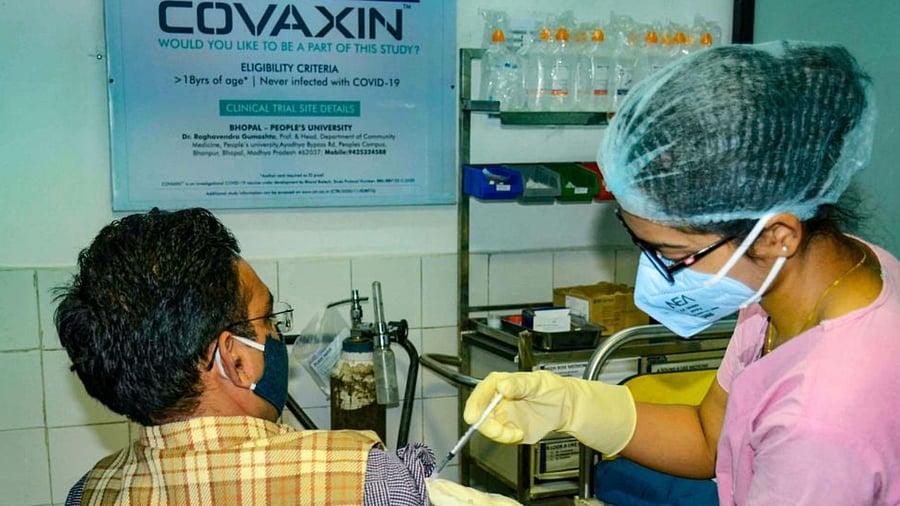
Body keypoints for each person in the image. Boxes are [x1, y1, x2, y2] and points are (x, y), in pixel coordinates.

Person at [465, 41, 900, 505]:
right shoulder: (806, 281)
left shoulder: (822, 420)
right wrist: (574, 405)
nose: (652, 275)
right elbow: (711, 436)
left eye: (672, 253)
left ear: (777, 234)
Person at [55, 207, 519, 506]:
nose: (277, 336)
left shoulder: (92, 492)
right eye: (267, 320)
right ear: (236, 360)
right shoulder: (366, 481)